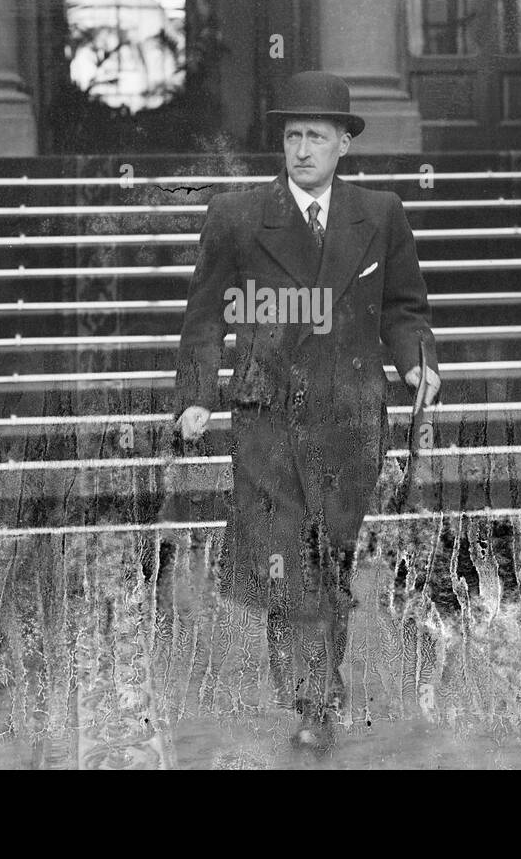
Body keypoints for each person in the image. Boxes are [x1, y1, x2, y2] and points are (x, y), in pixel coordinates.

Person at [174, 71, 441, 754]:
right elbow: (205, 316)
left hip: (352, 417)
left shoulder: (380, 216)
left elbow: (405, 307)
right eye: (292, 136)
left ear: (343, 145)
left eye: (316, 137)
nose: (301, 150)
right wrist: (198, 395)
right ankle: (312, 698)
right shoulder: (237, 217)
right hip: (268, 415)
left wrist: (417, 361)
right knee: (286, 561)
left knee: (330, 559)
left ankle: (322, 682)